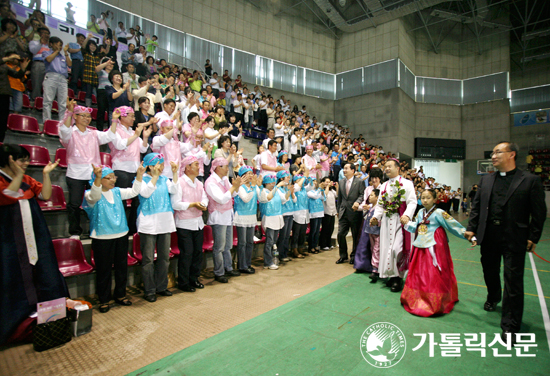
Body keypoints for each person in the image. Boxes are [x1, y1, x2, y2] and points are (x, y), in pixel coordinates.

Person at [465, 142, 546, 344]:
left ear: (511, 154)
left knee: (513, 281)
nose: (493, 156)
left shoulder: (530, 180)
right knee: (489, 270)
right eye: (492, 152)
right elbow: (477, 207)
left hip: (514, 237)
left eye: (497, 152)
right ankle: (493, 296)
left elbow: (539, 213)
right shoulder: (485, 180)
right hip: (489, 235)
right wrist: (471, 227)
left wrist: (532, 237)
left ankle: (510, 326)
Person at [0, 144, 67, 345]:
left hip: (34, 235)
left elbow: (44, 195)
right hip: (10, 238)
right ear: (9, 160)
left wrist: (46, 175)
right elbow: (9, 195)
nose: (26, 164)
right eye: (21, 160)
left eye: (27, 160)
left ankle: (47, 319)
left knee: (42, 271)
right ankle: (15, 324)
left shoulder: (27, 180)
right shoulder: (4, 180)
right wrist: (18, 174)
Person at [402, 189, 476, 317]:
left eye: (428, 198)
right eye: (423, 198)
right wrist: (407, 223)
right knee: (419, 273)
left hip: (435, 247)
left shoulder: (439, 213)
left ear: (435, 200)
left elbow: (453, 225)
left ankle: (435, 300)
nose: (425, 200)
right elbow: (417, 226)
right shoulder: (420, 212)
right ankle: (419, 298)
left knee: (434, 273)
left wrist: (468, 235)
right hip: (420, 247)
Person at [83, 164, 144, 313]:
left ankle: (120, 295)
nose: (113, 180)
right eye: (108, 178)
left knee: (121, 268)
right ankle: (104, 299)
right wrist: (97, 178)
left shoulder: (117, 192)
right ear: (98, 179)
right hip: (102, 237)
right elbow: (95, 196)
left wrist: (139, 175)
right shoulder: (89, 194)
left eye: (113, 177)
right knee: (104, 270)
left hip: (121, 235)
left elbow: (135, 191)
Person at [60, 100, 116, 239]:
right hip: (75, 174)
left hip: (93, 175)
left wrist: (114, 119)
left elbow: (109, 135)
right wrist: (69, 113)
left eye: (88, 116)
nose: (86, 118)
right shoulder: (71, 132)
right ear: (75, 117)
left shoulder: (94, 133)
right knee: (74, 204)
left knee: (96, 203)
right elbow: (64, 132)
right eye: (82, 116)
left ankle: (97, 228)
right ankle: (75, 231)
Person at [370, 159, 417, 292]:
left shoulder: (407, 184)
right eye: (385, 167)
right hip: (386, 220)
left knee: (397, 249)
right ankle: (392, 276)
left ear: (398, 168)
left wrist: (407, 215)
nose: (387, 169)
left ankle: (399, 277)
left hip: (400, 220)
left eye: (390, 166)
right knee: (387, 249)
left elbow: (412, 202)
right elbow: (380, 205)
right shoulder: (383, 185)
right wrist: (376, 217)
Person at [137, 153, 179, 302]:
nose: (161, 167)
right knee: (148, 259)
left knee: (164, 258)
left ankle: (162, 287)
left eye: (162, 164)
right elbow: (146, 193)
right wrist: (154, 177)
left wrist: (174, 173)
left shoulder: (164, 179)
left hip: (164, 222)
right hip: (148, 223)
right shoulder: (140, 179)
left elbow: (174, 190)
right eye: (159, 164)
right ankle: (149, 290)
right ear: (150, 165)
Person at [108, 106, 153, 234]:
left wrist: (144, 138)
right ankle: (119, 227)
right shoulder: (114, 130)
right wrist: (136, 135)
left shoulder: (133, 132)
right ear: (122, 116)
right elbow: (120, 145)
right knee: (121, 201)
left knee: (137, 201)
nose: (134, 118)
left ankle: (132, 228)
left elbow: (143, 149)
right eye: (131, 116)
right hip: (121, 169)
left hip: (135, 170)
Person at [171, 156, 208, 292]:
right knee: (187, 253)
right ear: (187, 167)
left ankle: (194, 278)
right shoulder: (180, 182)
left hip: (198, 222)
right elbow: (175, 203)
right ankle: (183, 282)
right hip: (184, 223)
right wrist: (193, 204)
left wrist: (203, 205)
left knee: (198, 252)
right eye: (196, 164)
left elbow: (204, 198)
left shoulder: (198, 183)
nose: (199, 167)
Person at [205, 157, 242, 283]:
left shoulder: (225, 179)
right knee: (219, 247)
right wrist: (233, 188)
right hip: (218, 217)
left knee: (228, 246)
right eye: (225, 166)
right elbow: (221, 199)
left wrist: (236, 186)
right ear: (217, 168)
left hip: (227, 216)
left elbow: (234, 194)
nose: (227, 169)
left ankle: (228, 268)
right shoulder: (210, 182)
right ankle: (219, 272)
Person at [336, 163, 365, 265]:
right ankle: (343, 256)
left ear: (353, 170)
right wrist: (338, 210)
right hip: (343, 212)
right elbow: (339, 198)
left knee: (355, 235)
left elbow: (362, 194)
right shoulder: (341, 182)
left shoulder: (360, 182)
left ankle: (354, 256)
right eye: (344, 168)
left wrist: (358, 202)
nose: (344, 170)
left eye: (346, 168)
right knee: (340, 234)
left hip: (354, 212)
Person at [233, 166, 260, 274]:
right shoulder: (240, 187)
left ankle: (248, 263)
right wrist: (253, 186)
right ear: (243, 175)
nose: (250, 175)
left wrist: (260, 185)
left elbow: (262, 198)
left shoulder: (253, 186)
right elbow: (246, 198)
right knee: (242, 242)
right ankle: (242, 265)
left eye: (251, 173)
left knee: (249, 242)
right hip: (241, 216)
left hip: (251, 216)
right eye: (248, 173)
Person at [259, 174, 289, 270]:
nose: (272, 185)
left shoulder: (276, 191)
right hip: (269, 218)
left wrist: (289, 191)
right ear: (265, 183)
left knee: (274, 242)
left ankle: (273, 259)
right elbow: (268, 197)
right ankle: (267, 262)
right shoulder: (263, 191)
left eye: (273, 183)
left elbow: (284, 199)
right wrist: (277, 186)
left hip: (277, 217)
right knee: (269, 241)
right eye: (270, 183)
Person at [0, 52, 28, 142]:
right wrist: (8, 58)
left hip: (4, 94)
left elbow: (16, 75)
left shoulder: (5, 66)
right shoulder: (3, 63)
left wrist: (22, 68)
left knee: (3, 120)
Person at [42, 36, 71, 122]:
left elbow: (69, 64)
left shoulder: (62, 57)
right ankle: (47, 121)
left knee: (63, 103)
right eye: (57, 44)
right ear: (51, 44)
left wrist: (65, 52)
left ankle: (62, 122)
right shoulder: (46, 53)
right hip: (51, 76)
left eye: (61, 45)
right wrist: (57, 51)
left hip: (63, 79)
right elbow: (48, 59)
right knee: (48, 101)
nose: (59, 47)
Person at [275, 170, 296, 262]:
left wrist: (291, 192)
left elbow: (295, 200)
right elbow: (284, 199)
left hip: (290, 213)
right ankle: (280, 255)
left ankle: (285, 253)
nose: (289, 178)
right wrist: (289, 192)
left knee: (287, 235)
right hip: (283, 214)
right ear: (281, 178)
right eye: (287, 177)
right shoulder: (278, 189)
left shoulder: (286, 188)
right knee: (283, 236)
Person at [319, 177, 337, 251]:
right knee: (325, 229)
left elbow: (337, 195)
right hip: (326, 212)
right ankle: (323, 244)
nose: (328, 183)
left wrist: (337, 186)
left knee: (331, 228)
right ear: (323, 182)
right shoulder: (322, 190)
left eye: (329, 182)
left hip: (333, 211)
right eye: (326, 182)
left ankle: (329, 243)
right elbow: (324, 196)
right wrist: (327, 186)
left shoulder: (332, 190)